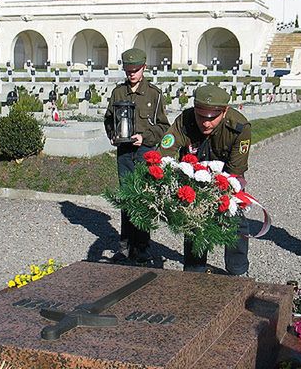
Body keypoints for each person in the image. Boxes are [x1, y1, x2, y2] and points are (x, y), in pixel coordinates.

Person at [158, 84, 252, 275]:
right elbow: (164, 152)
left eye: (212, 118)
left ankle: (237, 270)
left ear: (224, 111)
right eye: (201, 117)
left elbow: (236, 172)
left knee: (235, 221)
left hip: (226, 178)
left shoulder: (239, 128)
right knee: (193, 221)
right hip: (192, 176)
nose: (206, 123)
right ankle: (194, 270)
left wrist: (223, 194)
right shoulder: (185, 120)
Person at [104, 48, 170, 264]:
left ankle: (142, 247)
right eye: (128, 70)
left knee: (142, 199)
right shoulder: (118, 93)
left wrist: (146, 138)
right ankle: (125, 247)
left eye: (136, 70)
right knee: (126, 198)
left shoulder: (154, 94)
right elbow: (108, 119)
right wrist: (113, 135)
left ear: (144, 68)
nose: (131, 74)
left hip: (144, 151)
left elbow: (163, 127)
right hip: (124, 152)